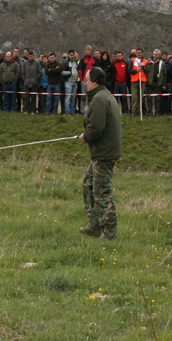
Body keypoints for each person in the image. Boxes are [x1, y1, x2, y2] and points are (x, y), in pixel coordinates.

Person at [78, 67, 122, 240]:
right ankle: (95, 225)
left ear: (95, 81)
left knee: (102, 192)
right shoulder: (103, 96)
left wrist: (85, 136)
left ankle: (109, 232)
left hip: (104, 153)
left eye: (87, 80)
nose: (85, 83)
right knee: (88, 183)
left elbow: (95, 129)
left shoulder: (99, 99)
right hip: (103, 152)